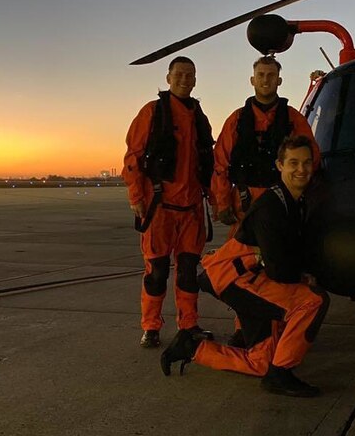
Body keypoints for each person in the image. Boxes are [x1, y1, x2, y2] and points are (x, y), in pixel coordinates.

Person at [159, 135, 330, 398]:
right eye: (293, 162)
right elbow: (279, 269)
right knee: (312, 301)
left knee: (261, 362)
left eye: (307, 163)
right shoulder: (271, 207)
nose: (301, 169)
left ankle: (191, 348)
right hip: (236, 280)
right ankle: (280, 375)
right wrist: (307, 277)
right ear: (279, 165)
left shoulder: (295, 201)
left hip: (253, 280)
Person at [211, 56, 322, 347]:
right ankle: (244, 328)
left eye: (271, 75)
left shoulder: (294, 119)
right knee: (244, 271)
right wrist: (222, 202)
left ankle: (284, 326)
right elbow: (220, 163)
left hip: (281, 203)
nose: (266, 80)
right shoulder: (237, 120)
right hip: (244, 205)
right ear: (252, 79)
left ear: (279, 80)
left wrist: (303, 196)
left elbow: (312, 157)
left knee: (282, 265)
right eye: (261, 74)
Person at [122, 56, 215, 348]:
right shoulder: (152, 112)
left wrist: (215, 200)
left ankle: (188, 324)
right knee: (157, 272)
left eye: (190, 75)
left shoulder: (199, 118)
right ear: (168, 77)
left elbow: (208, 165)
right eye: (179, 75)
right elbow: (133, 157)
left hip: (191, 210)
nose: (185, 80)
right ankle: (151, 326)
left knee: (188, 271)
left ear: (196, 80)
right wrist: (136, 196)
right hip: (159, 208)